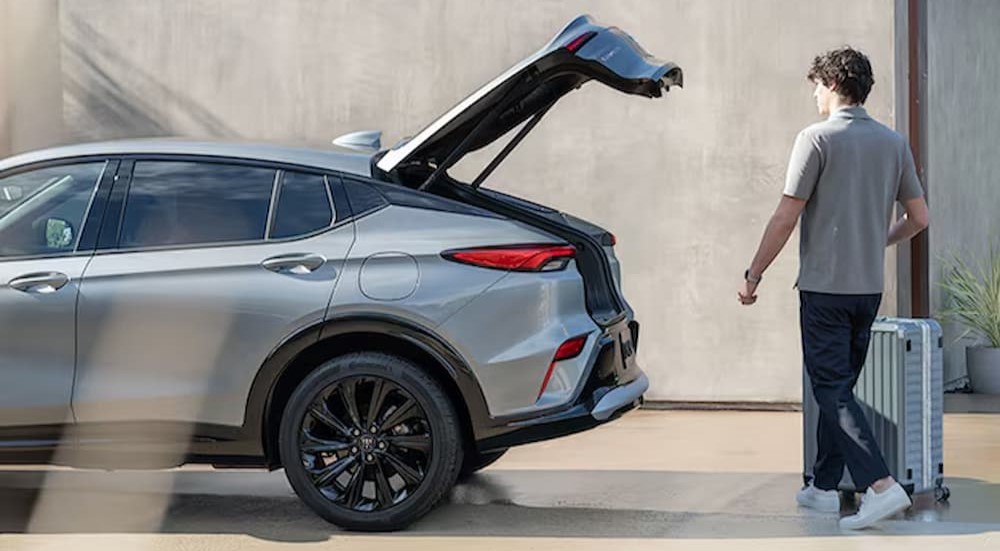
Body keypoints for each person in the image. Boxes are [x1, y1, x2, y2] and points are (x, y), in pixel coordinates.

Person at [738, 47, 930, 530]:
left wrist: (754, 272)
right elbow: (919, 218)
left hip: (824, 290)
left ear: (830, 85)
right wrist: (876, 240)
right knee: (838, 388)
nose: (815, 95)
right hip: (867, 290)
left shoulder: (815, 139)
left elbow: (786, 215)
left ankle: (881, 486)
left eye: (816, 87)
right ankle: (824, 488)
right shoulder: (893, 143)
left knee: (830, 389)